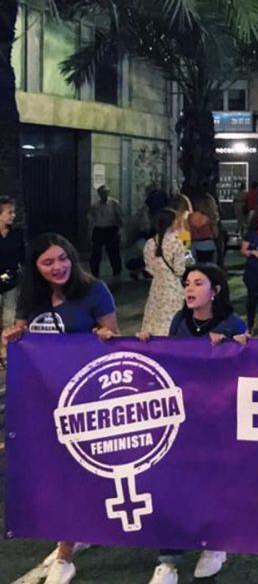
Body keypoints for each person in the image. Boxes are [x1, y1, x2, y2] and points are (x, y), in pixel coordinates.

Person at [3, 233, 119, 584]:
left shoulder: (94, 290)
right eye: (48, 262)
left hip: (85, 398)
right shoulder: (32, 298)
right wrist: (13, 337)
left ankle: (66, 552)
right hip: (43, 399)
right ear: (36, 268)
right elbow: (25, 337)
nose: (58, 266)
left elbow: (113, 336)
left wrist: (101, 337)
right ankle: (73, 532)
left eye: (62, 258)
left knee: (77, 471)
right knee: (55, 472)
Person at [140, 264, 244, 584]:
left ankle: (214, 544)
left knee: (211, 484)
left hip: (218, 421)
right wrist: (145, 343)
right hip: (183, 417)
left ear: (215, 290)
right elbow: (171, 359)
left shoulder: (232, 322)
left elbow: (247, 364)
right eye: (187, 283)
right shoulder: (179, 321)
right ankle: (168, 559)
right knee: (174, 485)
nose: (190, 288)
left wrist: (231, 342)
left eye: (198, 283)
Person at [141, 208, 190, 336]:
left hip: (156, 285)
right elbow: (180, 270)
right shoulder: (176, 242)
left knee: (154, 317)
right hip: (173, 287)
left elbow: (149, 268)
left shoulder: (149, 243)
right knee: (173, 318)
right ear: (172, 223)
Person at [88, 184, 123, 279]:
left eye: (105, 193)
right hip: (99, 229)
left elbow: (119, 216)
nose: (104, 195)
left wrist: (120, 229)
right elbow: (92, 219)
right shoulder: (95, 205)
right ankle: (95, 272)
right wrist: (90, 232)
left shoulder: (114, 203)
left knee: (113, 251)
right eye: (102, 193)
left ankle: (117, 270)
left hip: (111, 229)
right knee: (96, 252)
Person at [0, 196, 25, 328]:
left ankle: (6, 345)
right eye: (9, 212)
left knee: (9, 315)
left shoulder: (16, 234)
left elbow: (22, 255)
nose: (13, 215)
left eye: (13, 212)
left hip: (11, 279)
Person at [187, 193, 220, 264]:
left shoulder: (190, 217)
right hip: (207, 244)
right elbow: (215, 234)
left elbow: (185, 232)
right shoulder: (210, 218)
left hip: (192, 244)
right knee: (209, 270)